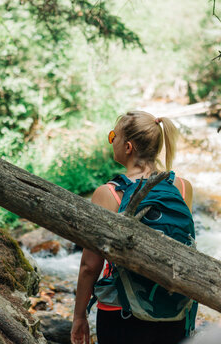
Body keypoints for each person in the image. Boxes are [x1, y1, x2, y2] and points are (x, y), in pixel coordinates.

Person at [71, 111, 194, 344]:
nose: (111, 142)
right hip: (172, 310)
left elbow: (90, 265)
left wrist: (79, 316)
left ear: (128, 147)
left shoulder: (107, 194)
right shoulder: (182, 187)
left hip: (120, 312)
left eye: (112, 137)